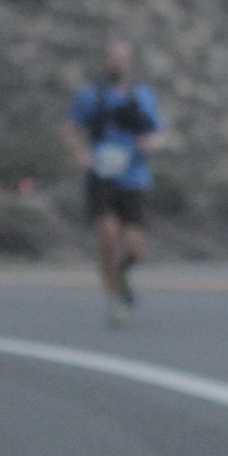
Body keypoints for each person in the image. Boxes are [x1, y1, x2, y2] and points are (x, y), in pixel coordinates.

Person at [65, 42, 164, 325]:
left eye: (122, 58)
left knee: (134, 249)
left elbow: (157, 132)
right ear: (104, 61)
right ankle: (116, 299)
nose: (117, 63)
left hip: (134, 178)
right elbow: (70, 130)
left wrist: (150, 144)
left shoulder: (142, 96)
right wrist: (81, 155)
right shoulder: (90, 96)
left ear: (129, 62)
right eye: (112, 58)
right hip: (101, 177)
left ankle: (119, 276)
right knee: (107, 236)